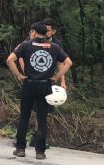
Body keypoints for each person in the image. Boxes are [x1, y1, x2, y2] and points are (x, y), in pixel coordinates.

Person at [7, 22, 72, 160]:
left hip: (29, 84)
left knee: (24, 117)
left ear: (35, 32)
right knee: (42, 119)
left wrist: (19, 75)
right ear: (46, 33)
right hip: (45, 86)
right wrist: (56, 77)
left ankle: (20, 149)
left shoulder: (26, 45)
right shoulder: (54, 47)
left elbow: (10, 60)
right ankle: (40, 152)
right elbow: (68, 63)